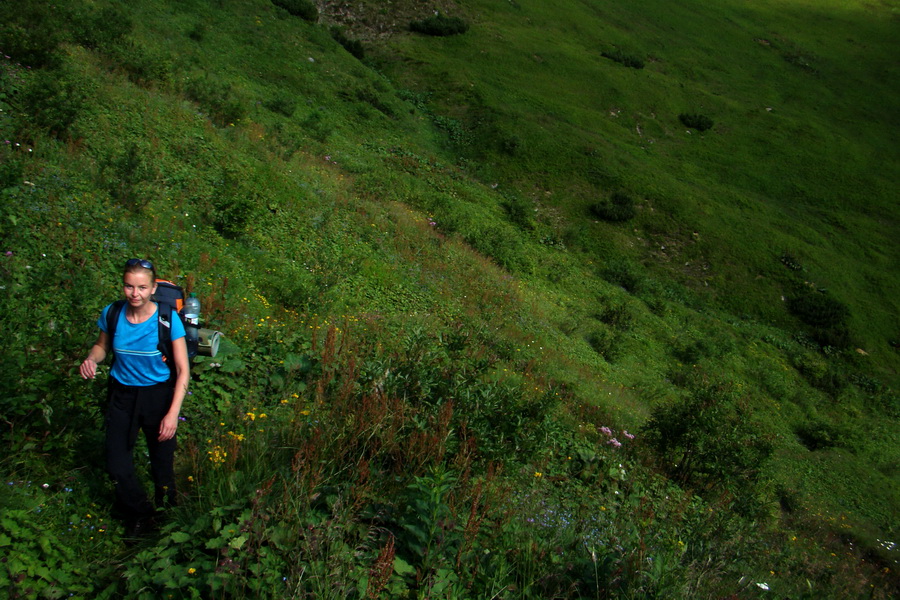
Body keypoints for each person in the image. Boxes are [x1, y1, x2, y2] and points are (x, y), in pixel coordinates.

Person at [80, 258, 190, 536]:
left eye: (142, 287)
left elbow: (182, 370)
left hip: (158, 396)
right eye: (129, 287)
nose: (135, 294)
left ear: (153, 288)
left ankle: (168, 519)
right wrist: (92, 359)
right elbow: (101, 347)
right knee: (117, 465)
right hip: (122, 395)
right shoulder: (113, 313)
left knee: (162, 465)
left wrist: (172, 414)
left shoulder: (167, 319)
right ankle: (140, 513)